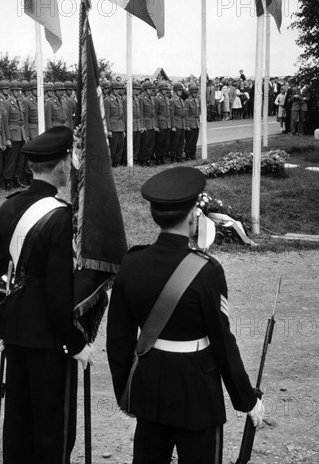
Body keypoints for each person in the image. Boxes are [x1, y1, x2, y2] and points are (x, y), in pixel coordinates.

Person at [107, 167, 264, 464]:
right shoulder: (207, 270)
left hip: (150, 389)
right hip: (197, 393)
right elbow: (222, 342)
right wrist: (246, 398)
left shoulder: (132, 263)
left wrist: (128, 393)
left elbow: (117, 341)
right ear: (193, 215)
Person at [0, 126, 94, 464]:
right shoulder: (60, 216)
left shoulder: (9, 207)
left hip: (14, 327)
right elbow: (59, 294)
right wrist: (75, 343)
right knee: (53, 426)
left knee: (18, 417)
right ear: (61, 166)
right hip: (48, 336)